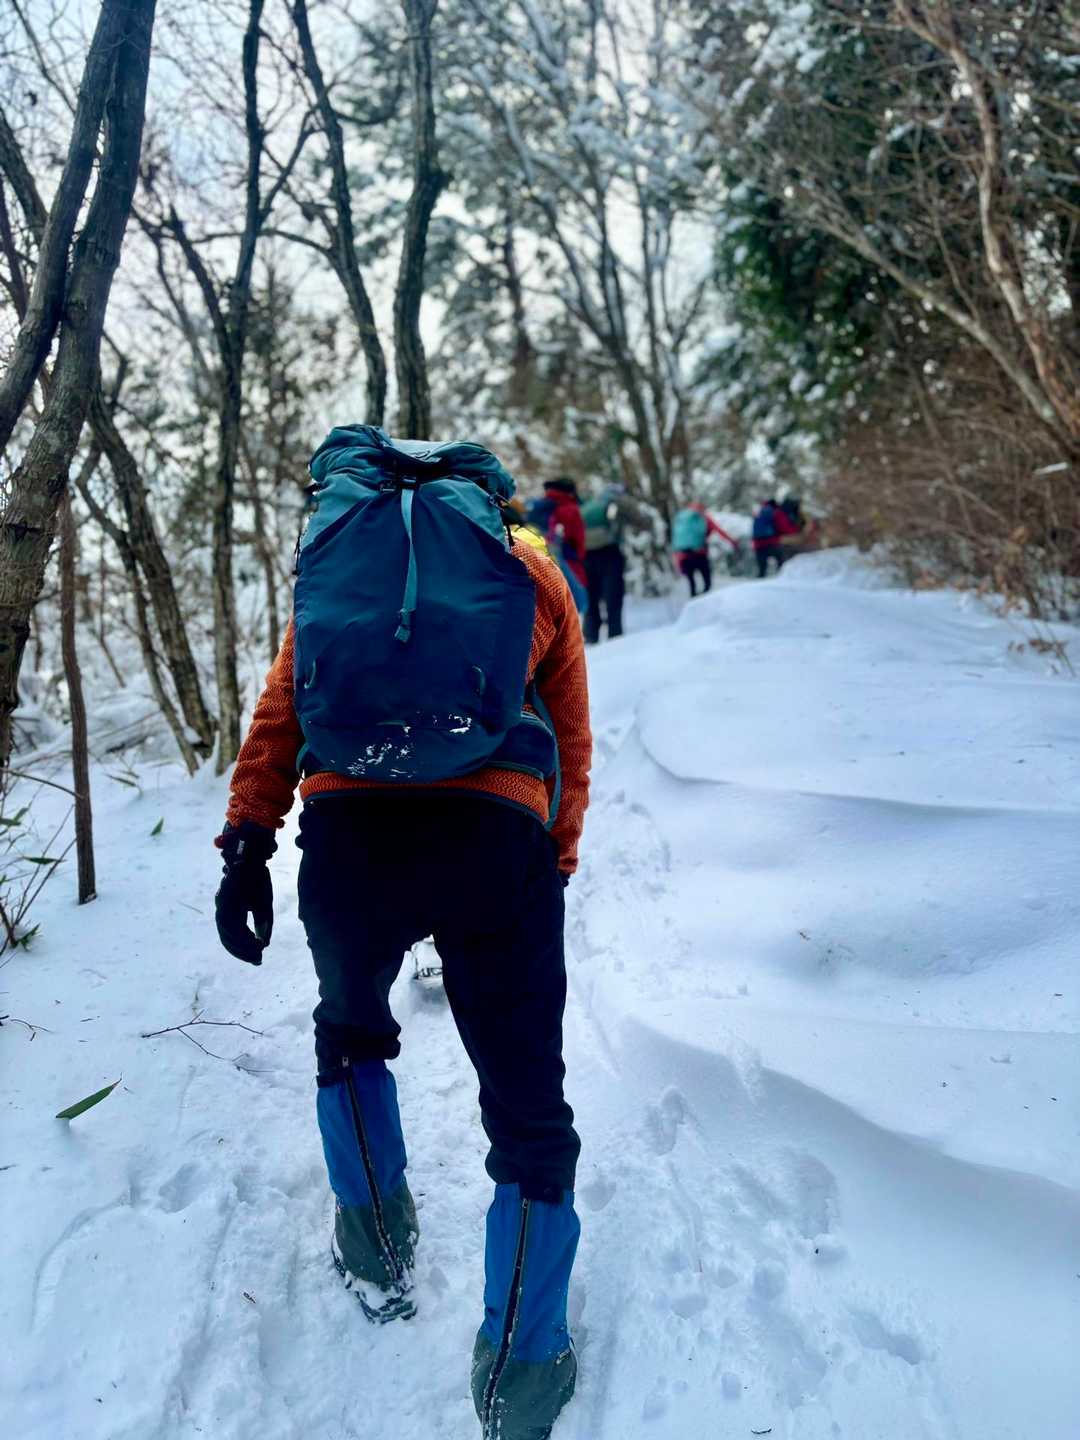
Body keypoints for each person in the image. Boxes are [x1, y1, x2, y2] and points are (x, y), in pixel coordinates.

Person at [213, 426, 591, 1440]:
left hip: (351, 836)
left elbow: (285, 705)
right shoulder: (528, 567)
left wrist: (248, 839)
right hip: (496, 838)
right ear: (489, 498)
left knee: (348, 1034)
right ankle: (522, 1371)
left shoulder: (343, 572)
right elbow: (570, 727)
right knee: (527, 1105)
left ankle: (377, 1250)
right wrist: (553, 859)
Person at [580, 484, 647, 644]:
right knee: (613, 594)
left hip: (586, 554)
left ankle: (591, 635)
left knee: (591, 595)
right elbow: (639, 520)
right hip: (609, 551)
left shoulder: (591, 503)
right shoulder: (619, 500)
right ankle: (615, 636)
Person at [525, 478, 588, 614]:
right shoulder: (569, 508)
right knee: (577, 601)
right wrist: (580, 557)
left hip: (541, 555)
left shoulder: (541, 505)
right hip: (567, 558)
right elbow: (578, 537)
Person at [671, 502, 741, 597]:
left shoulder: (681, 518)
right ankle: (706, 600)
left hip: (684, 555)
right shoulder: (704, 518)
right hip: (700, 553)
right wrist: (733, 541)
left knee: (692, 583)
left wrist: (678, 560)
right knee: (707, 581)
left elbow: (676, 539)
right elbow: (719, 530)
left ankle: (694, 600)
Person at [752, 496, 800, 578]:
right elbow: (785, 527)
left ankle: (758, 582)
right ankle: (781, 579)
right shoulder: (776, 512)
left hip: (757, 544)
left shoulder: (761, 512)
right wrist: (797, 530)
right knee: (781, 564)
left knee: (762, 570)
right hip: (771, 542)